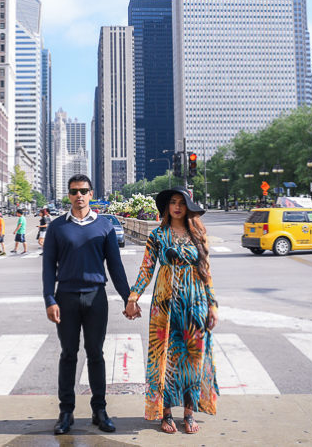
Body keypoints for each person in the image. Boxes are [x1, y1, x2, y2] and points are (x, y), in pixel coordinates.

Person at [42, 174, 132, 435]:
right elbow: (48, 267)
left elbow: (115, 267)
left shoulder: (104, 226)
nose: (78, 195)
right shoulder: (57, 228)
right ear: (68, 195)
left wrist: (129, 299)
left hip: (96, 298)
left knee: (96, 354)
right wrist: (49, 299)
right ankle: (66, 412)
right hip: (66, 298)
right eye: (73, 191)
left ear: (91, 194)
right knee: (68, 354)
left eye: (83, 191)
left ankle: (99, 410)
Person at [126, 188, 218, 435]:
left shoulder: (198, 234)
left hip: (195, 304)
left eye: (181, 203)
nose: (177, 206)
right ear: (166, 207)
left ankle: (188, 413)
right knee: (165, 357)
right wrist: (133, 296)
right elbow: (146, 269)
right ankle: (165, 413)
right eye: (172, 203)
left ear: (188, 207)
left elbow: (206, 271)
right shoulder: (157, 235)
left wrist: (212, 305)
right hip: (164, 305)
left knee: (193, 360)